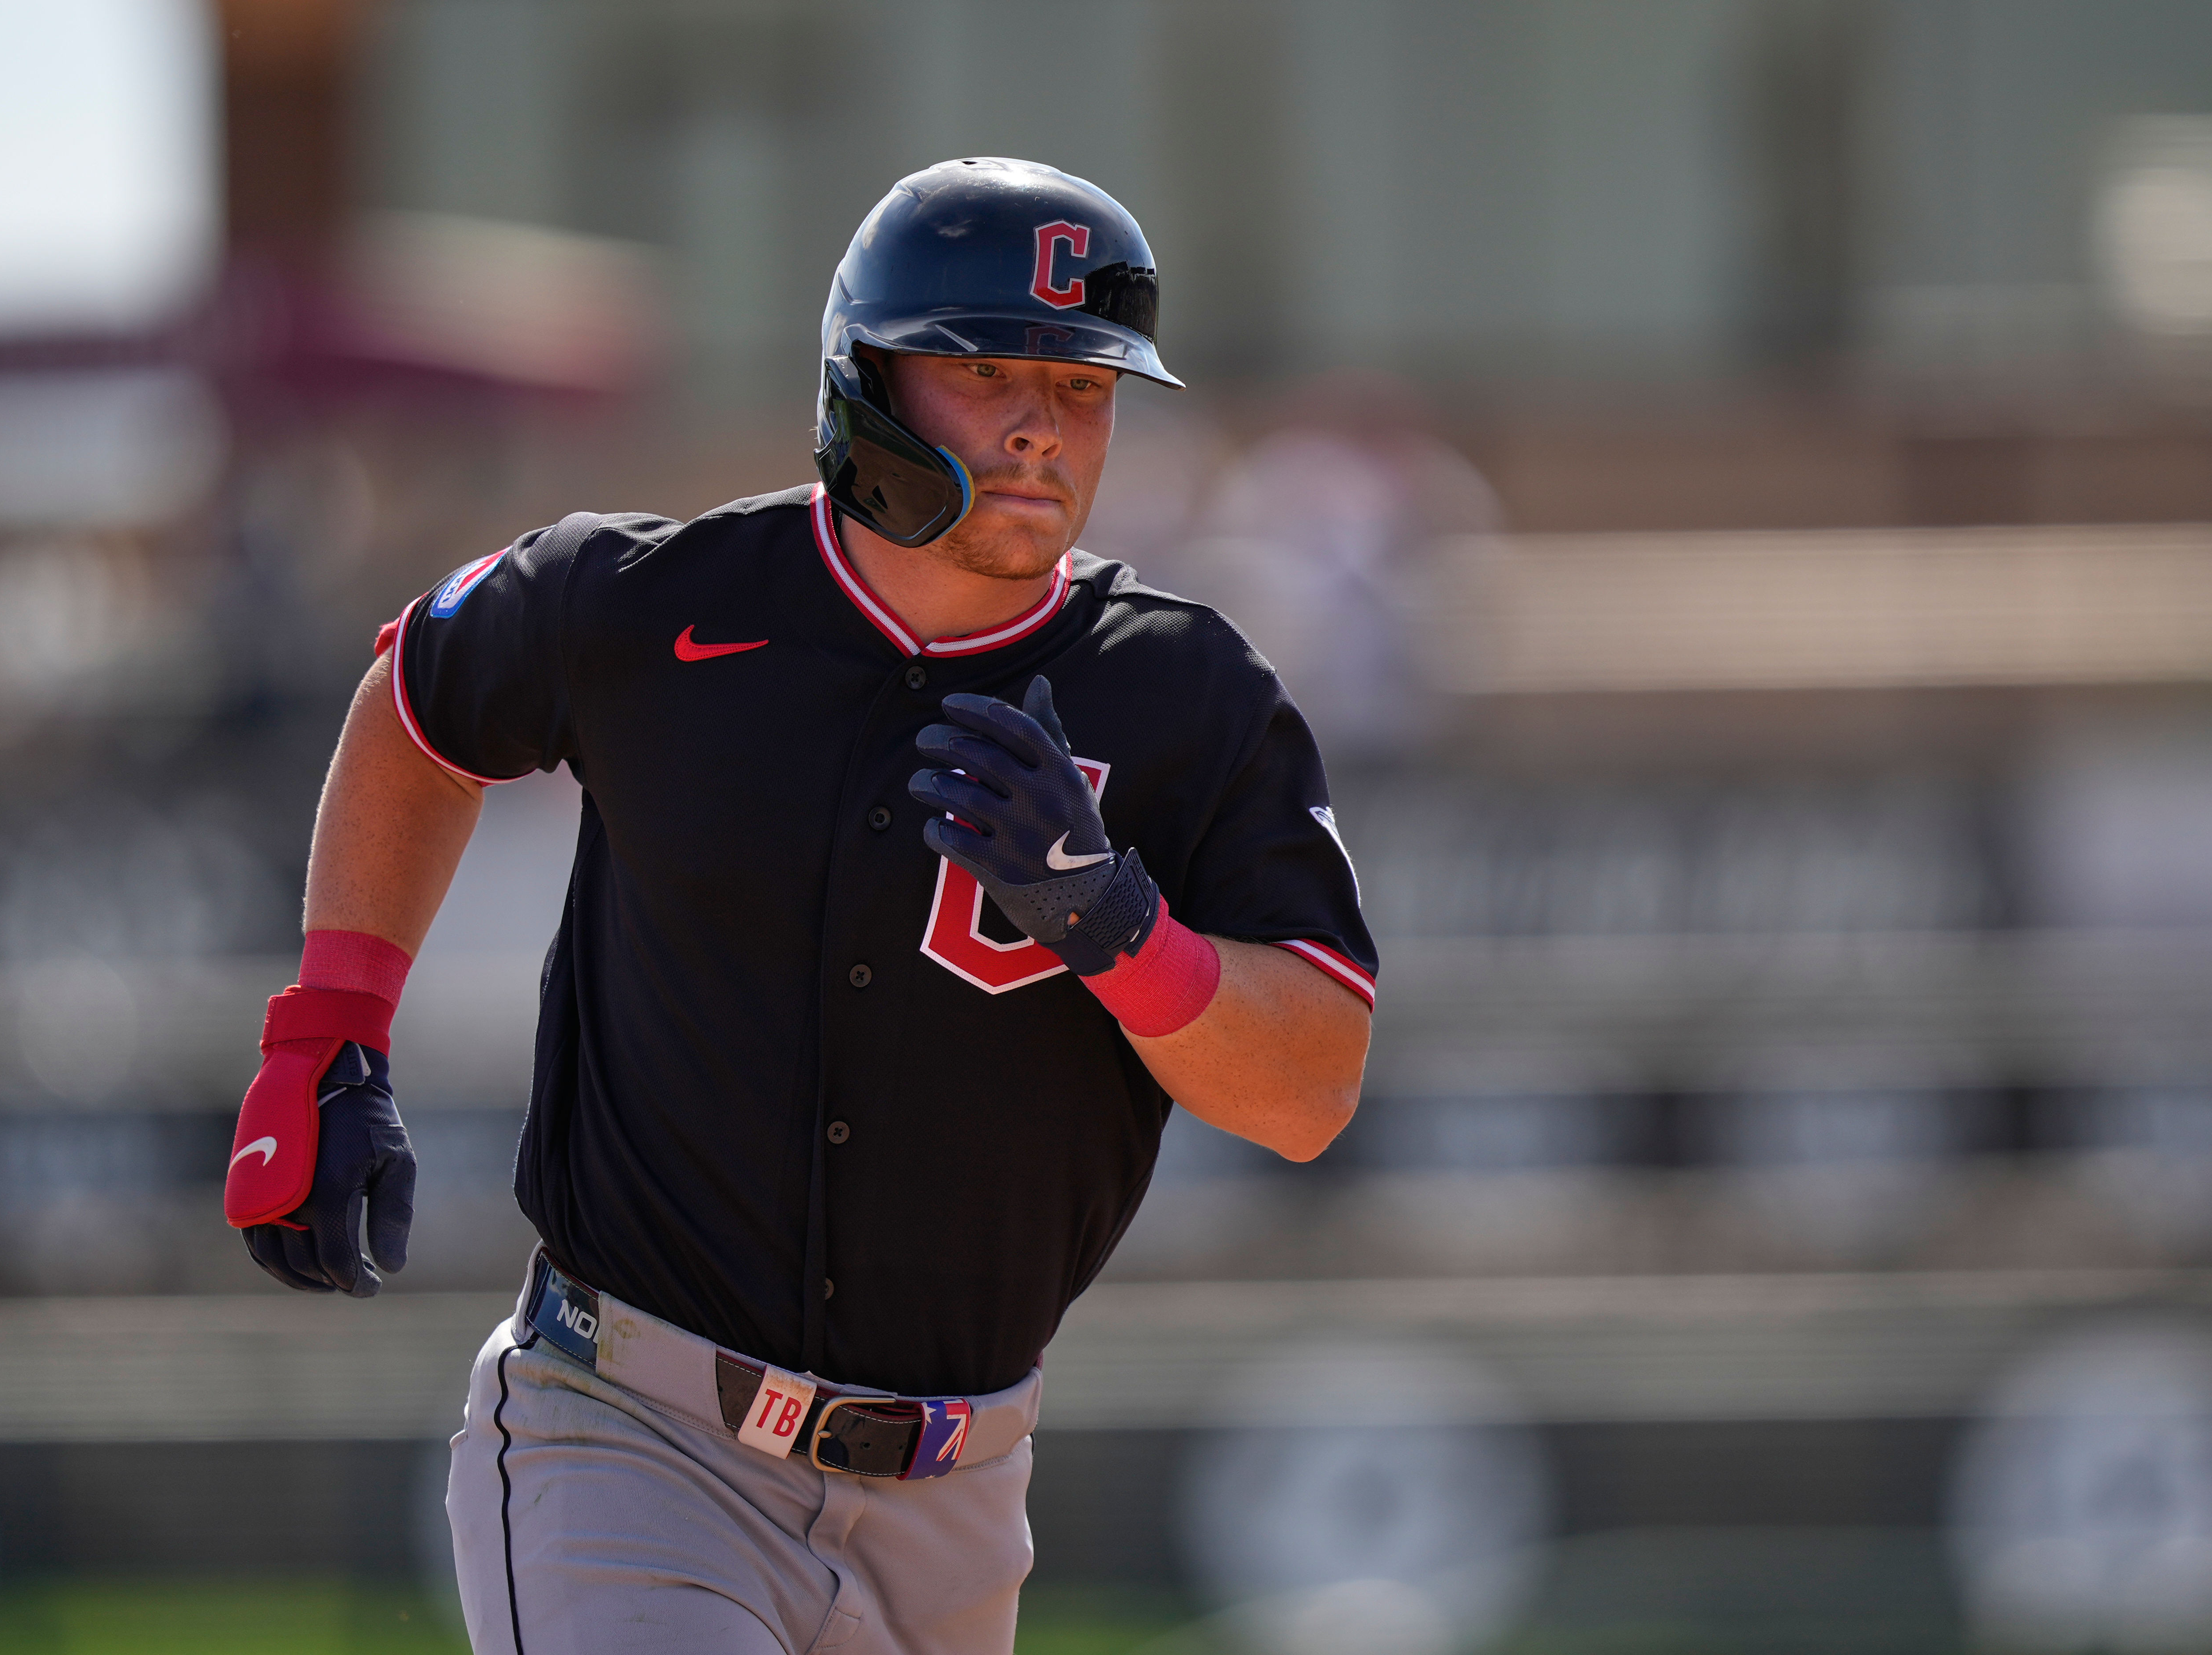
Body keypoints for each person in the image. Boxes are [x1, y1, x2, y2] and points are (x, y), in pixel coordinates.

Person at [218, 158, 1377, 1654]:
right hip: (632, 1439)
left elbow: (1311, 1089)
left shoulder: (1189, 693)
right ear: (865, 379)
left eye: (1084, 386)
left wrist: (1118, 927)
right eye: (985, 370)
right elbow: (417, 701)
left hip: (960, 1506)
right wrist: (328, 1027)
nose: (1042, 423)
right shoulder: (650, 601)